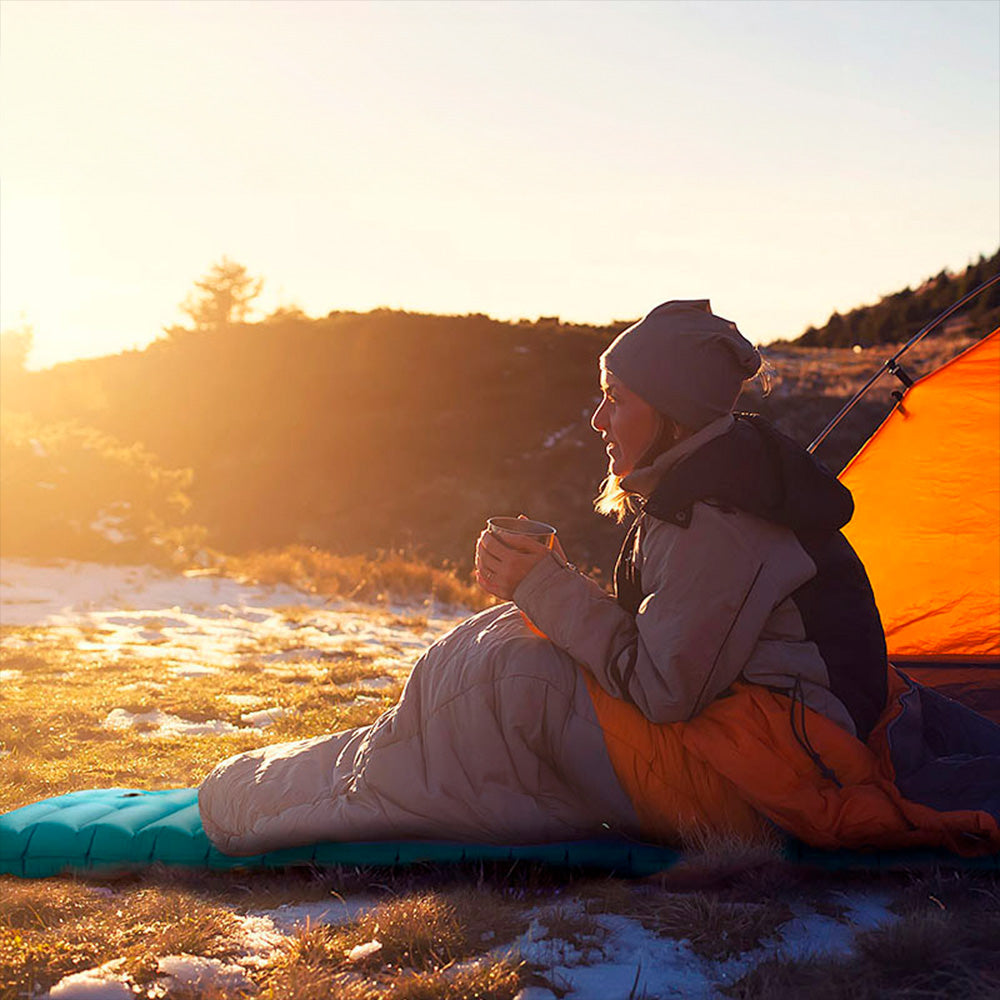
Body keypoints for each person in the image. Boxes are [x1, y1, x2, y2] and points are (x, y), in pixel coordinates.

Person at [199, 300, 999, 858]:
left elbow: (664, 691)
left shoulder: (716, 518)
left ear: (671, 413)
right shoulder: (716, 480)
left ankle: (292, 796)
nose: (598, 419)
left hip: (773, 773)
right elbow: (681, 642)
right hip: (779, 730)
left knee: (508, 677)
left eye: (617, 399)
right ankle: (347, 768)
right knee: (505, 650)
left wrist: (545, 586)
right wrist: (546, 588)